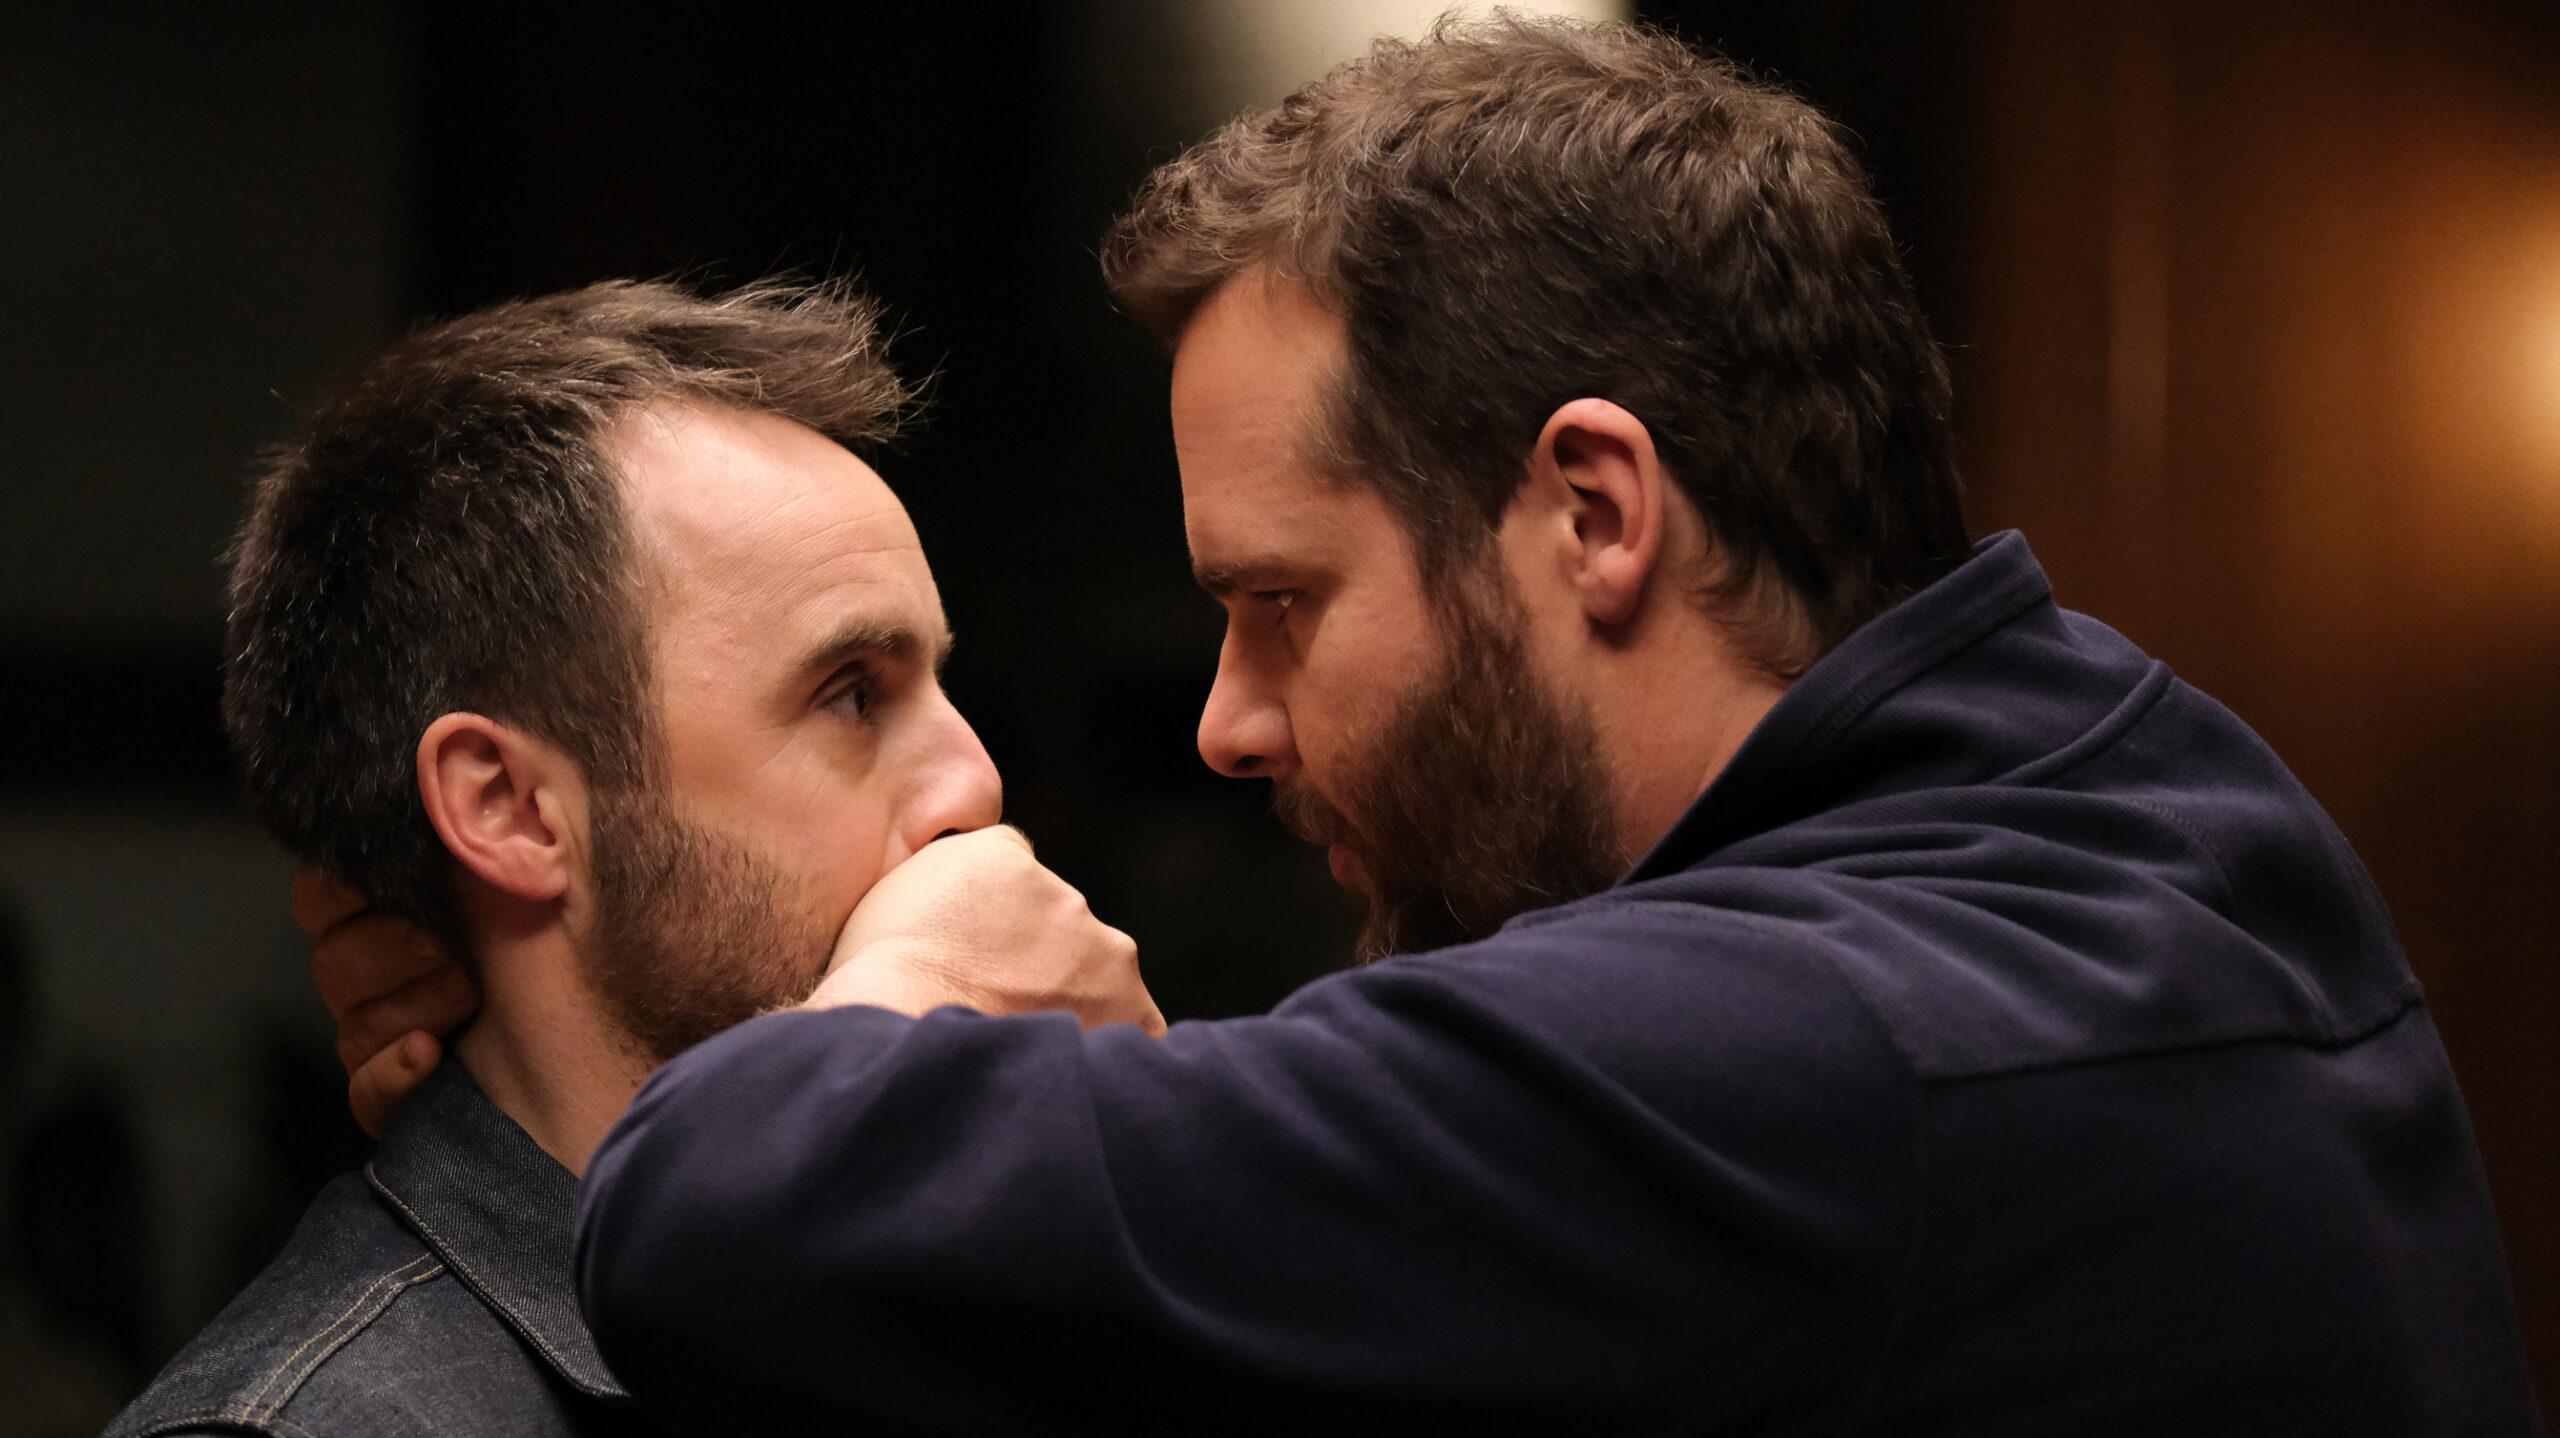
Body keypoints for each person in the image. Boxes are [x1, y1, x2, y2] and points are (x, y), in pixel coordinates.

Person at [322, 18, 2540, 1434]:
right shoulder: (2147, 796)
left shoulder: (1804, 1050)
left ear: (1591, 513)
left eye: (1279, 603)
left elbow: (714, 1208)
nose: (1227, 720)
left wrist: (919, 979)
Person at [108, 279, 1158, 1438]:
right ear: (511, 808)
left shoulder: (950, 1317)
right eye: (851, 693)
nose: (975, 785)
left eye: (938, 685)